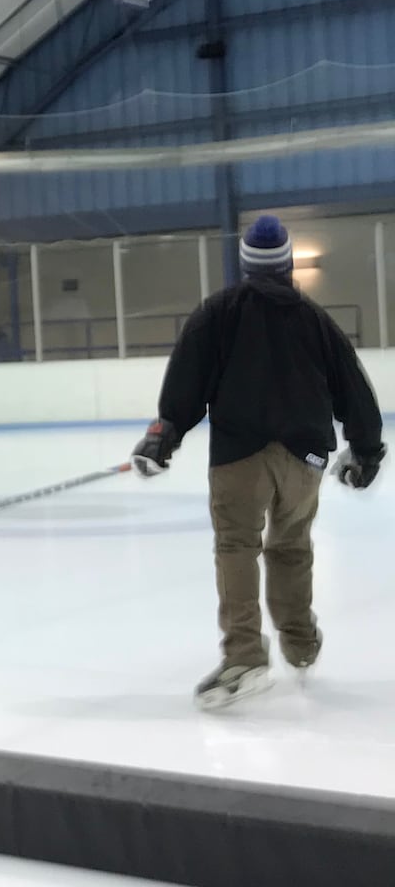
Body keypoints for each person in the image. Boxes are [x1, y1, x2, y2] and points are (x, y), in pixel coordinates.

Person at [132, 211, 384, 711]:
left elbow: (186, 382)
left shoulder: (218, 313)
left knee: (236, 548)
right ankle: (301, 642)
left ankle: (245, 656)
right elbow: (353, 389)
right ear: (287, 264)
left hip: (238, 458)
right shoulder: (316, 320)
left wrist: (163, 436)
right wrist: (366, 451)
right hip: (303, 460)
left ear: (246, 266)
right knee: (291, 547)